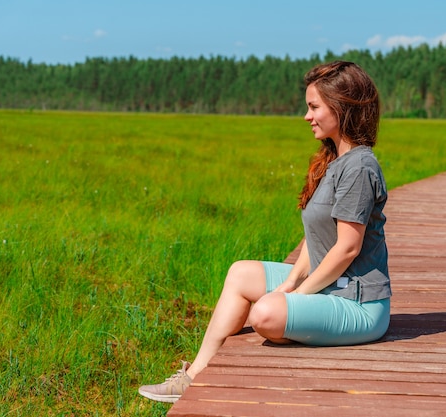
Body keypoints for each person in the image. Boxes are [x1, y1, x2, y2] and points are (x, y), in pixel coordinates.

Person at [138, 60, 391, 403]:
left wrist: (297, 297)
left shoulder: (359, 166)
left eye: (314, 106)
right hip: (331, 287)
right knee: (242, 273)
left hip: (358, 304)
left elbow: (346, 248)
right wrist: (290, 283)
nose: (307, 116)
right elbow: (316, 239)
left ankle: (298, 319)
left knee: (266, 313)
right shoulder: (335, 159)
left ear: (341, 107)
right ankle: (194, 375)